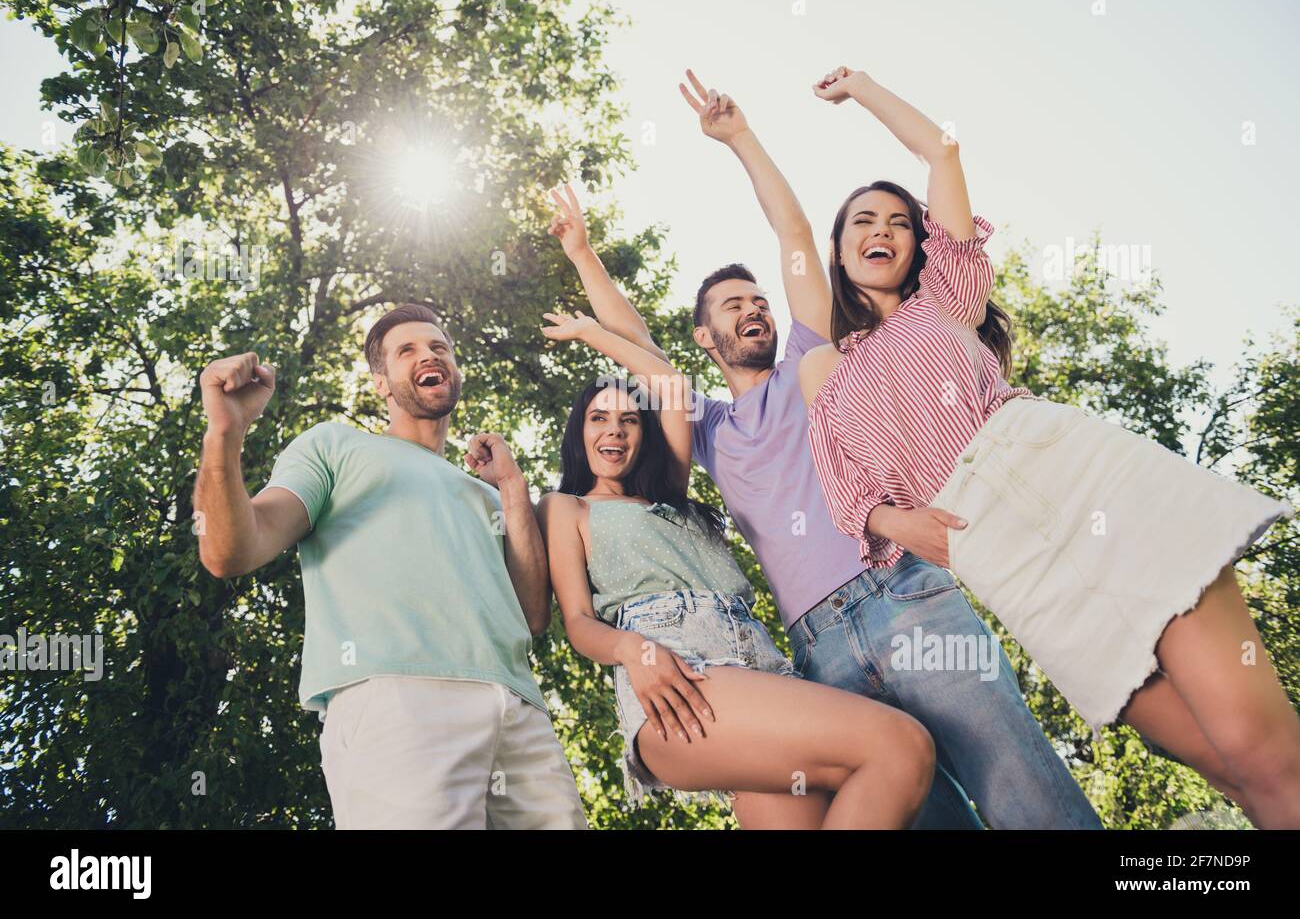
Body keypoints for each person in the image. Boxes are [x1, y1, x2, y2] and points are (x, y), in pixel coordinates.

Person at [537, 68, 1102, 829]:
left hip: (903, 597)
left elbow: (795, 236)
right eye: (734, 308)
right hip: (815, 651)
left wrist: (740, 139)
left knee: (1020, 790)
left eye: (759, 302)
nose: (755, 312)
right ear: (706, 336)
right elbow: (641, 349)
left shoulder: (814, 361)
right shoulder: (705, 429)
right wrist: (583, 257)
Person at [798, 64, 1300, 829]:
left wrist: (862, 87)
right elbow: (845, 490)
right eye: (863, 222)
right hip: (999, 551)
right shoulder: (826, 369)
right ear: (838, 252)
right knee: (1219, 764)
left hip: (1073, 475)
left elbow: (941, 152)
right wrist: (899, 524)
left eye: (899, 221)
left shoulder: (948, 298)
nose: (883, 231)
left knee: (1261, 751)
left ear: (920, 246)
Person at [193, 304, 588, 829]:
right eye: (408, 350)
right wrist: (225, 433)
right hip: (397, 699)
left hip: (519, 710)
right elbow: (230, 550)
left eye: (439, 347)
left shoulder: (489, 495)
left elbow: (532, 615)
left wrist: (512, 488)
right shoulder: (336, 446)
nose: (430, 355)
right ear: (381, 384)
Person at [537, 318, 937, 827]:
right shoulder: (566, 508)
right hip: (678, 677)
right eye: (598, 418)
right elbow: (578, 623)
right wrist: (636, 652)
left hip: (759, 668)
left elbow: (672, 386)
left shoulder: (671, 497)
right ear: (580, 433)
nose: (614, 429)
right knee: (900, 745)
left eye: (629, 420)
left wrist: (590, 332)